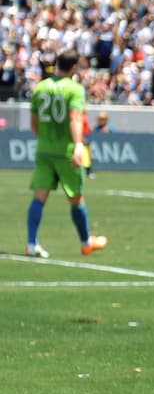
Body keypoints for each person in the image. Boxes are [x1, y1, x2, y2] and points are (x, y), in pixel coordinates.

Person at [25, 52, 108, 258]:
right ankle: (86, 242)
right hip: (66, 152)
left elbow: (34, 121)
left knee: (39, 197)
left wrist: (42, 139)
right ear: (73, 68)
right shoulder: (75, 89)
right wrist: (78, 145)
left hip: (44, 149)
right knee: (76, 198)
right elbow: (74, 118)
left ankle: (31, 243)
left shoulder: (41, 87)